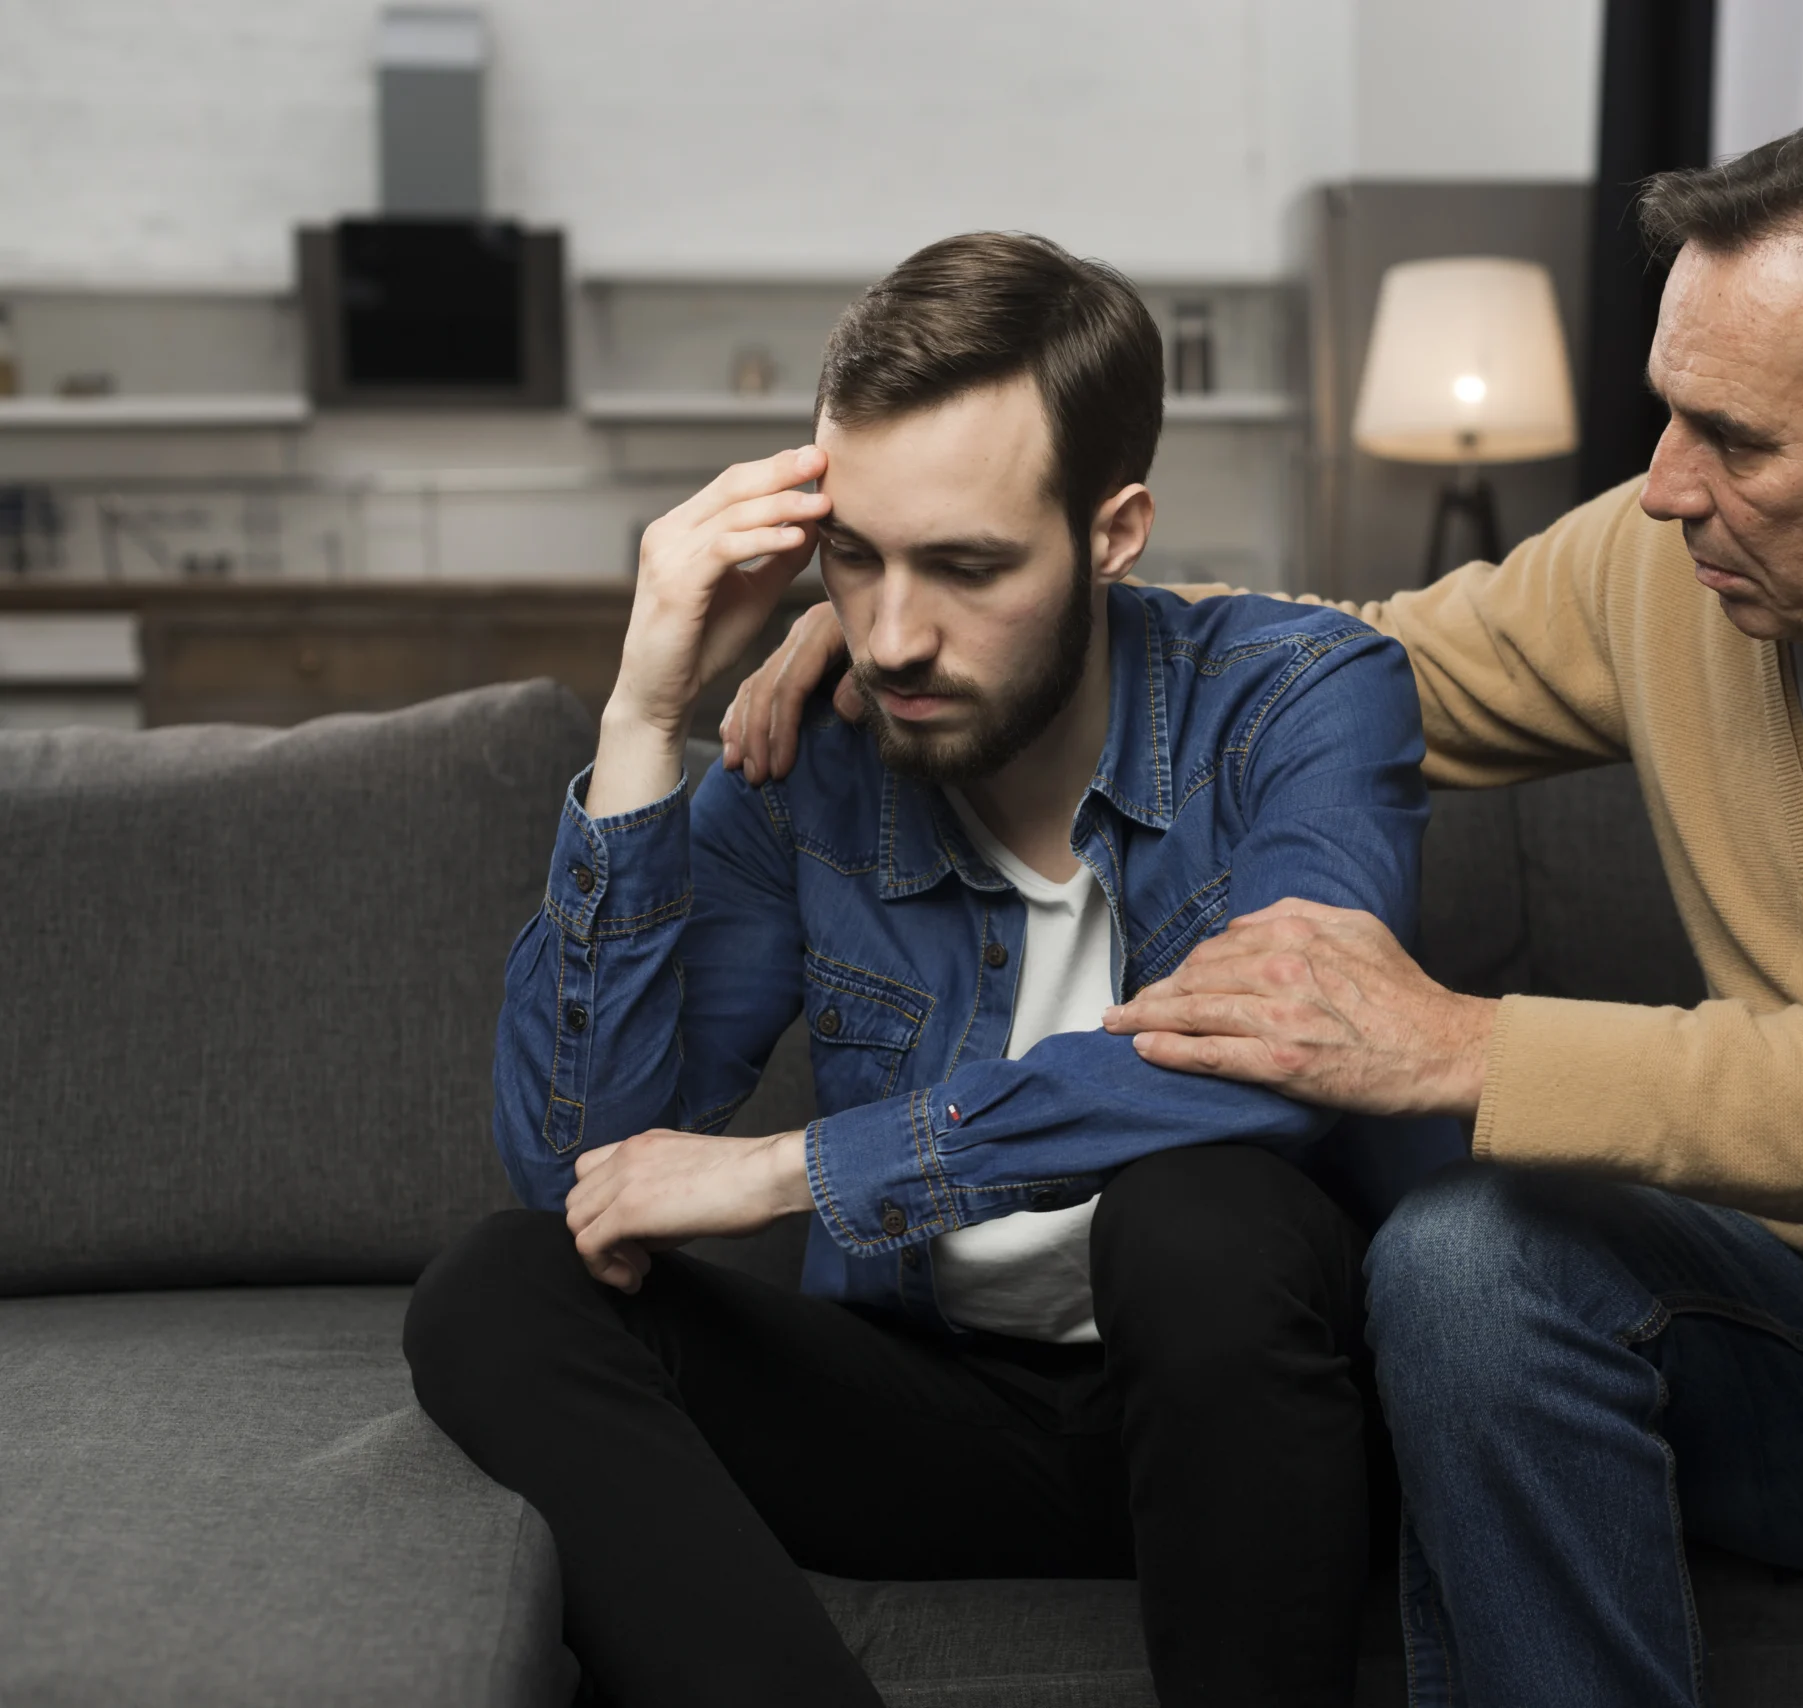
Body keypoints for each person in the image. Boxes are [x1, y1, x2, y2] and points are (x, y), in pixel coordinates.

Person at [722, 121, 1803, 1708]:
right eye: (1667, 414)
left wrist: (1464, 1046)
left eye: (1735, 439)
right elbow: (1335, 673)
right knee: (1468, 1255)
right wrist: (952, 612)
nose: (1667, 485)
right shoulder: (1662, 569)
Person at [402, 231, 1432, 1708]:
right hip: (949, 1417)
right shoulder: (807, 758)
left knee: (1200, 1210)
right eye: (856, 557)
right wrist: (646, 709)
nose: (892, 636)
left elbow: (1285, 1053)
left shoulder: (1301, 701)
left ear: (1114, 529)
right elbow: (585, 1170)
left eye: (966, 566)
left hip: (1270, 1421)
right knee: (495, 1291)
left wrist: (795, 1171)